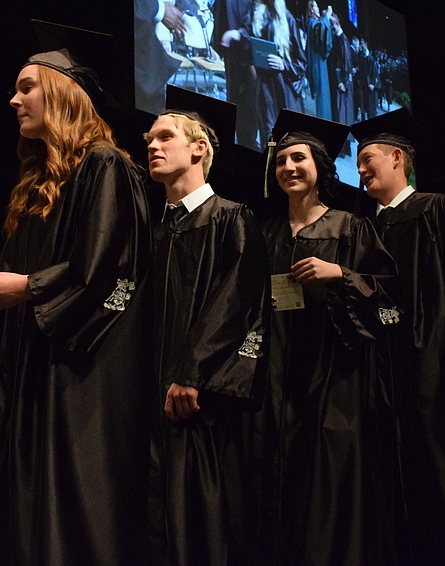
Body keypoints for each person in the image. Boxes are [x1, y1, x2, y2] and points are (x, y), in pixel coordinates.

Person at [0, 23, 154, 565]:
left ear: (61, 92)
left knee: (67, 509)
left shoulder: (107, 165)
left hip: (78, 370)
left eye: (26, 86)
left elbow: (109, 268)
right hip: (26, 361)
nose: (13, 99)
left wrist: (29, 288)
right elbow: (18, 276)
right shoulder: (38, 184)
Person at [252, 110, 400, 565]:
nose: (288, 168)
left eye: (298, 158)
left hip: (337, 376)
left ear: (319, 166)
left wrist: (340, 274)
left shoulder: (349, 227)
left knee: (333, 482)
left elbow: (391, 301)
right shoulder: (267, 234)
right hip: (278, 375)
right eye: (280, 161)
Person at [351, 109, 445, 565]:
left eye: (368, 158)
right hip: (383, 368)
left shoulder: (436, 209)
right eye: (357, 162)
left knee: (438, 474)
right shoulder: (366, 228)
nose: (360, 169)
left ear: (399, 158)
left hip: (434, 361)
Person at [143, 87, 272, 566]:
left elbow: (238, 303)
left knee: (203, 524)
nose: (152, 146)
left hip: (202, 402)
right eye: (149, 139)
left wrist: (192, 373)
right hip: (149, 400)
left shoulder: (232, 218)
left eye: (165, 136)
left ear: (199, 148)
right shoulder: (154, 230)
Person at [251, 0, 306, 148]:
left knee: (286, 135)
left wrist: (284, 64)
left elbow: (301, 62)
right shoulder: (257, 16)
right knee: (268, 133)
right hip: (264, 86)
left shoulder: (287, 19)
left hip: (283, 87)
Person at [212, 0, 259, 149]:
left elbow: (259, 17)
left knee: (253, 110)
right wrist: (215, 44)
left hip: (252, 56)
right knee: (236, 106)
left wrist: (240, 34)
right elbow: (221, 15)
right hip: (232, 56)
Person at [304, 1, 332, 119]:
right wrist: (327, 16)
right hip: (317, 64)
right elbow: (321, 30)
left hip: (318, 63)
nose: (319, 8)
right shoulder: (312, 23)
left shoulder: (313, 23)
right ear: (311, 10)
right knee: (322, 98)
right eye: (316, 6)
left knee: (323, 97)